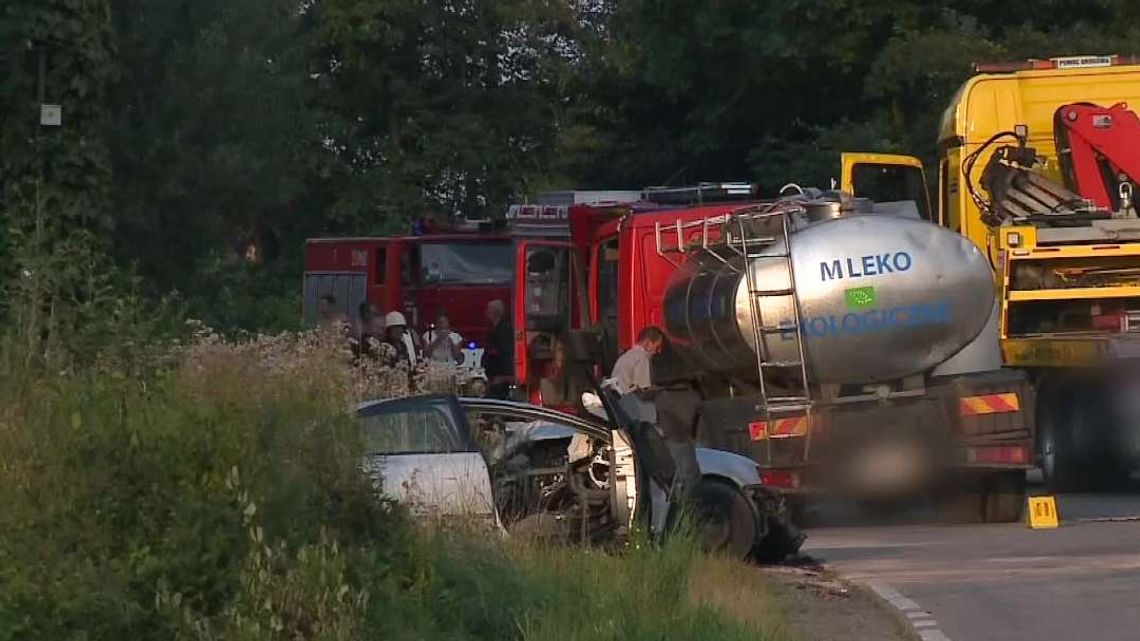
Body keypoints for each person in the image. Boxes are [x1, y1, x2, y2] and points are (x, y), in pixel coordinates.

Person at [610, 326, 701, 501]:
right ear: (648, 342)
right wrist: (662, 391)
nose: (658, 351)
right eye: (657, 347)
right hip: (636, 411)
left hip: (622, 408)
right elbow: (644, 390)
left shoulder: (625, 357)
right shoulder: (642, 358)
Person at [481, 299, 513, 399]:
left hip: (500, 380)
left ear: (495, 312)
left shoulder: (503, 331)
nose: (486, 312)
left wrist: (504, 377)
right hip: (494, 378)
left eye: (488, 309)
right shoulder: (495, 330)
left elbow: (506, 354)